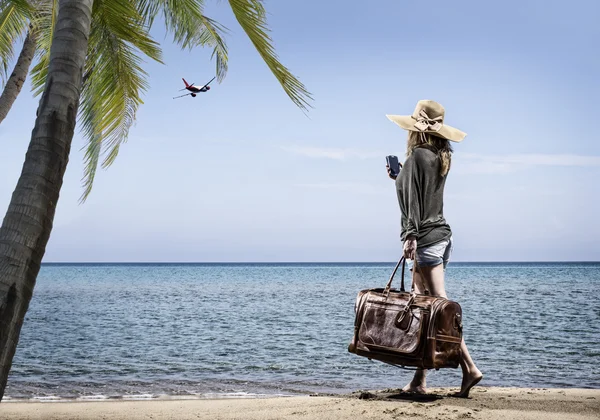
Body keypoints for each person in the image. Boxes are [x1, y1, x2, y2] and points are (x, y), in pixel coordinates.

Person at [385, 100, 483, 398]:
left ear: (415, 130)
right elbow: (420, 192)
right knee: (425, 308)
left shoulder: (417, 156)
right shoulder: (441, 157)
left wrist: (409, 236)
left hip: (425, 239)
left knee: (439, 306)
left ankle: (470, 368)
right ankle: (419, 380)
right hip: (441, 236)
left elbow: (414, 204)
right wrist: (399, 178)